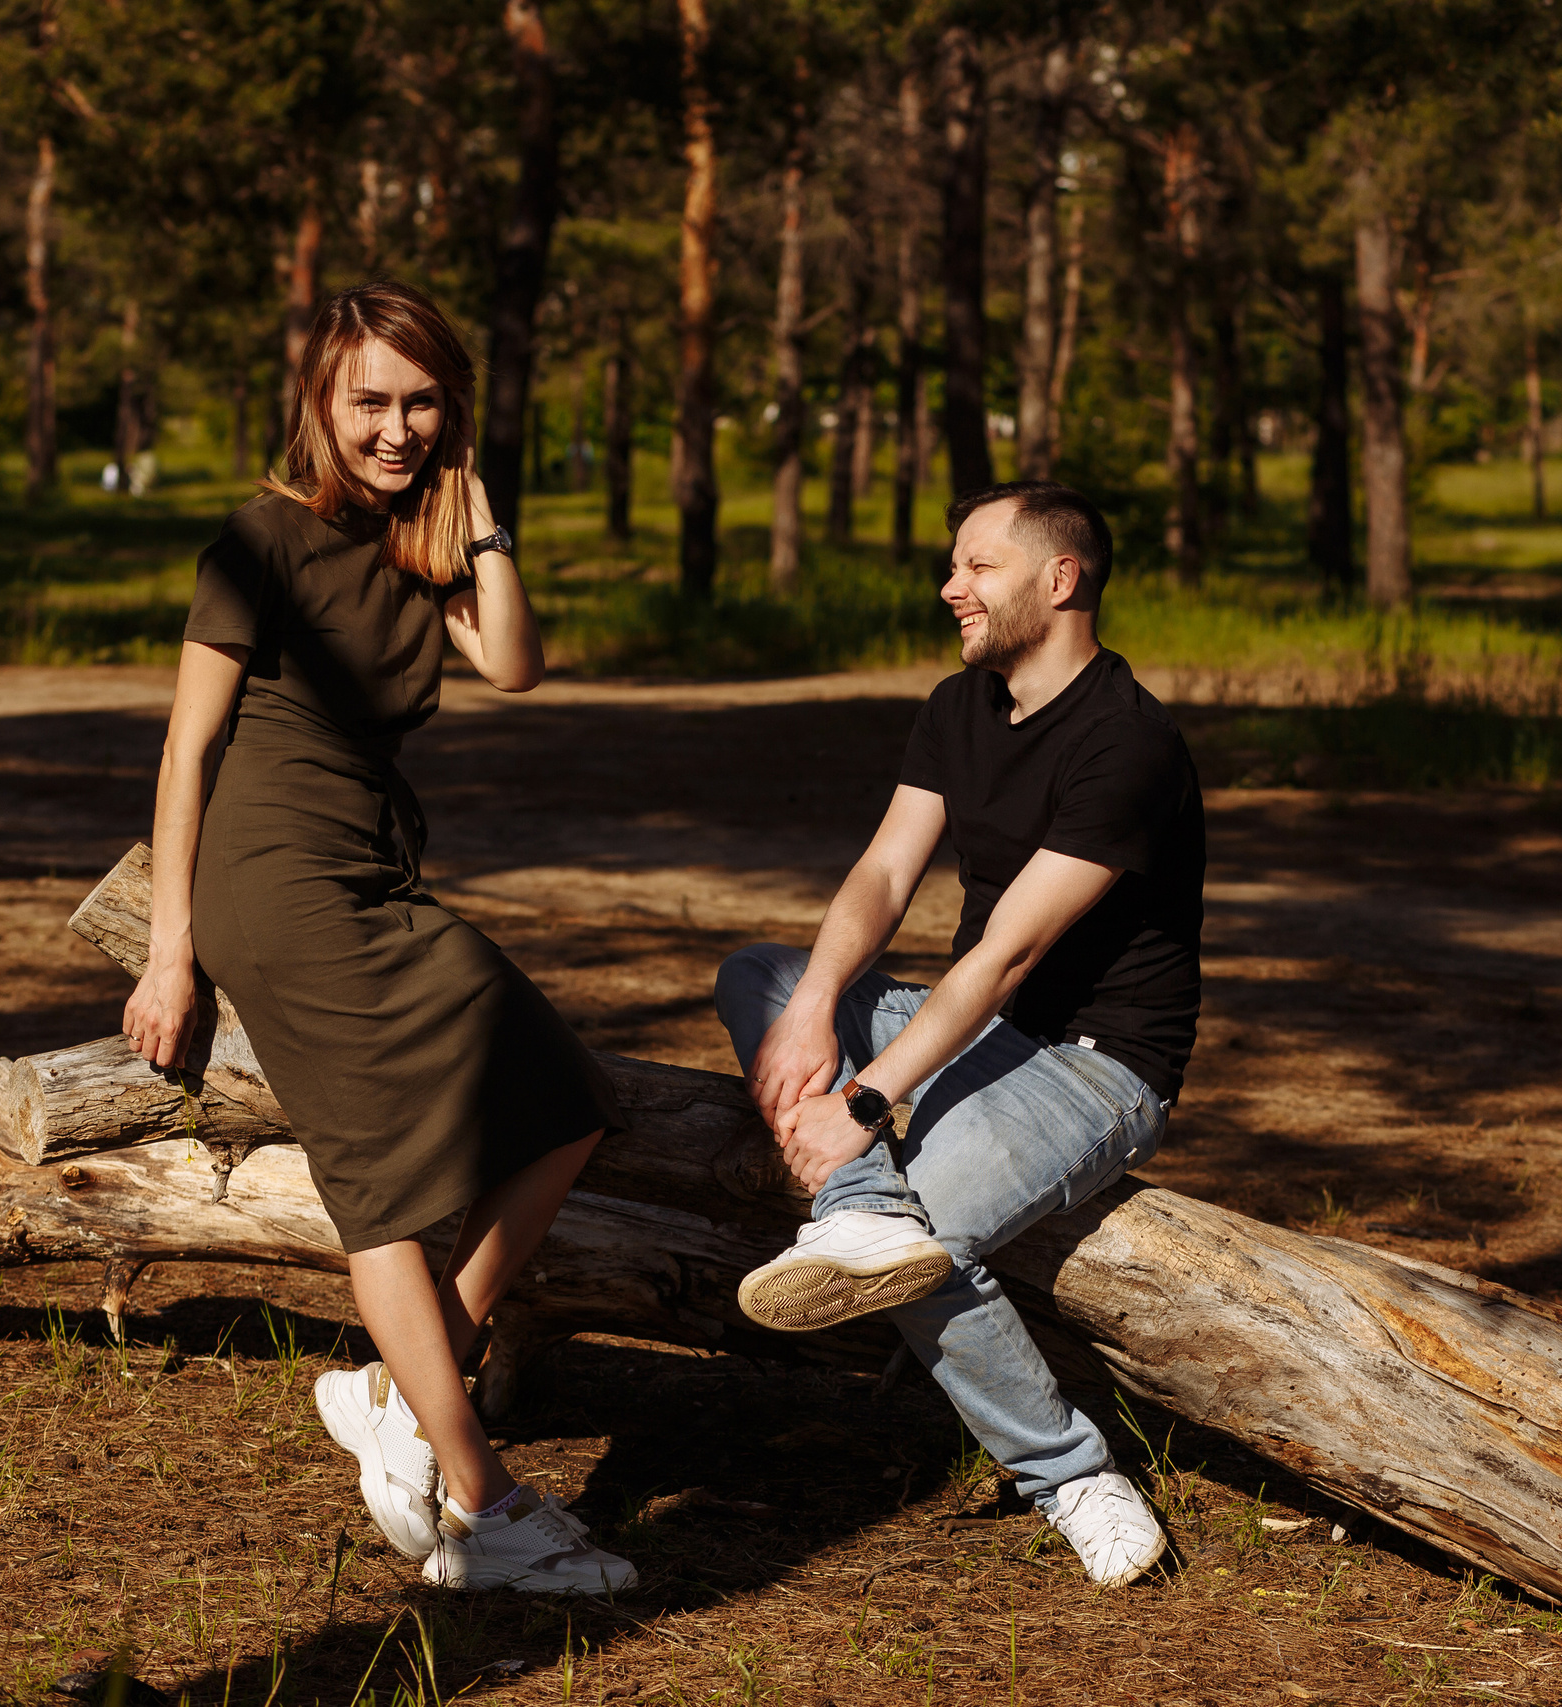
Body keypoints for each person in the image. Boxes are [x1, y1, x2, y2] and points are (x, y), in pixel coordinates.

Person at [120, 280, 635, 1596]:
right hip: (275, 882)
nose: (395, 427)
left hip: (374, 873)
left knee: (565, 1096)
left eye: (420, 402)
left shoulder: (427, 538)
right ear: (320, 403)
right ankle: (484, 1506)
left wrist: (482, 515)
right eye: (369, 402)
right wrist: (172, 946)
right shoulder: (260, 537)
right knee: (386, 1188)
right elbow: (189, 748)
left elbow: (517, 663)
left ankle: (395, 1386)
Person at [718, 479, 1204, 1588]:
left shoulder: (1130, 744)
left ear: (1060, 578)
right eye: (955, 565)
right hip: (975, 1031)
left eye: (978, 566)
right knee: (760, 971)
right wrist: (810, 1010)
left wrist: (859, 1106)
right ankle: (864, 1215)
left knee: (930, 1249)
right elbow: (886, 872)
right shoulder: (956, 707)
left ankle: (1071, 1475)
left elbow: (1007, 957)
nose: (951, 587)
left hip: (1093, 1069)